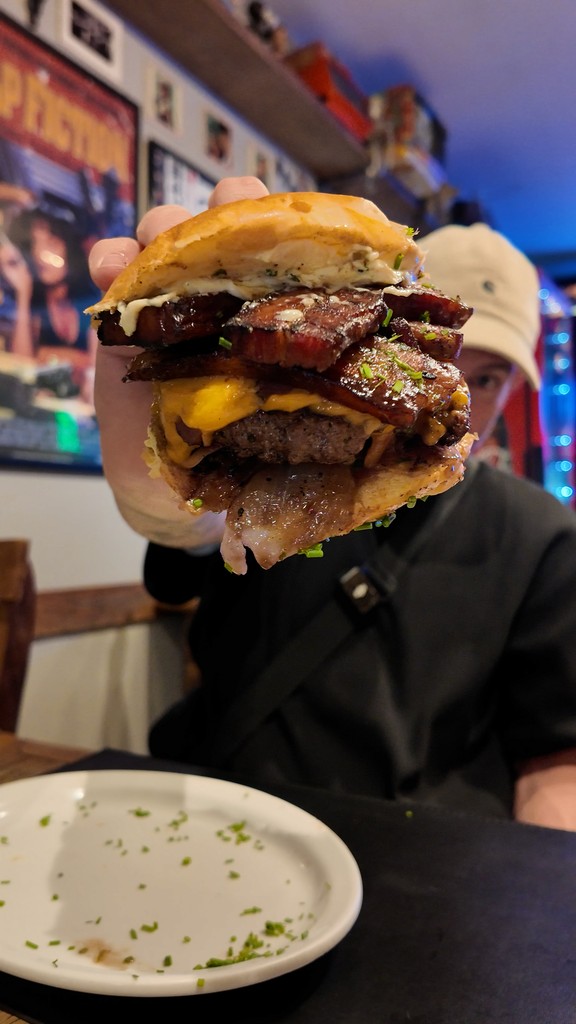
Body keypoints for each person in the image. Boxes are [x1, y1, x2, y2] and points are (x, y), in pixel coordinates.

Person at [89, 177, 576, 831]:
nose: (462, 394)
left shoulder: (545, 534)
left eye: (487, 378)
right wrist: (158, 491)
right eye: (441, 357)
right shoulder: (253, 476)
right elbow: (186, 536)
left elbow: (555, 765)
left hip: (428, 860)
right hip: (229, 822)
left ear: (515, 385)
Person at [3, 207, 99, 401]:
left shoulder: (93, 298)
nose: (40, 256)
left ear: (69, 247)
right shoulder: (35, 302)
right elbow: (23, 364)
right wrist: (23, 294)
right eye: (32, 246)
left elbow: (99, 367)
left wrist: (47, 354)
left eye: (51, 243)